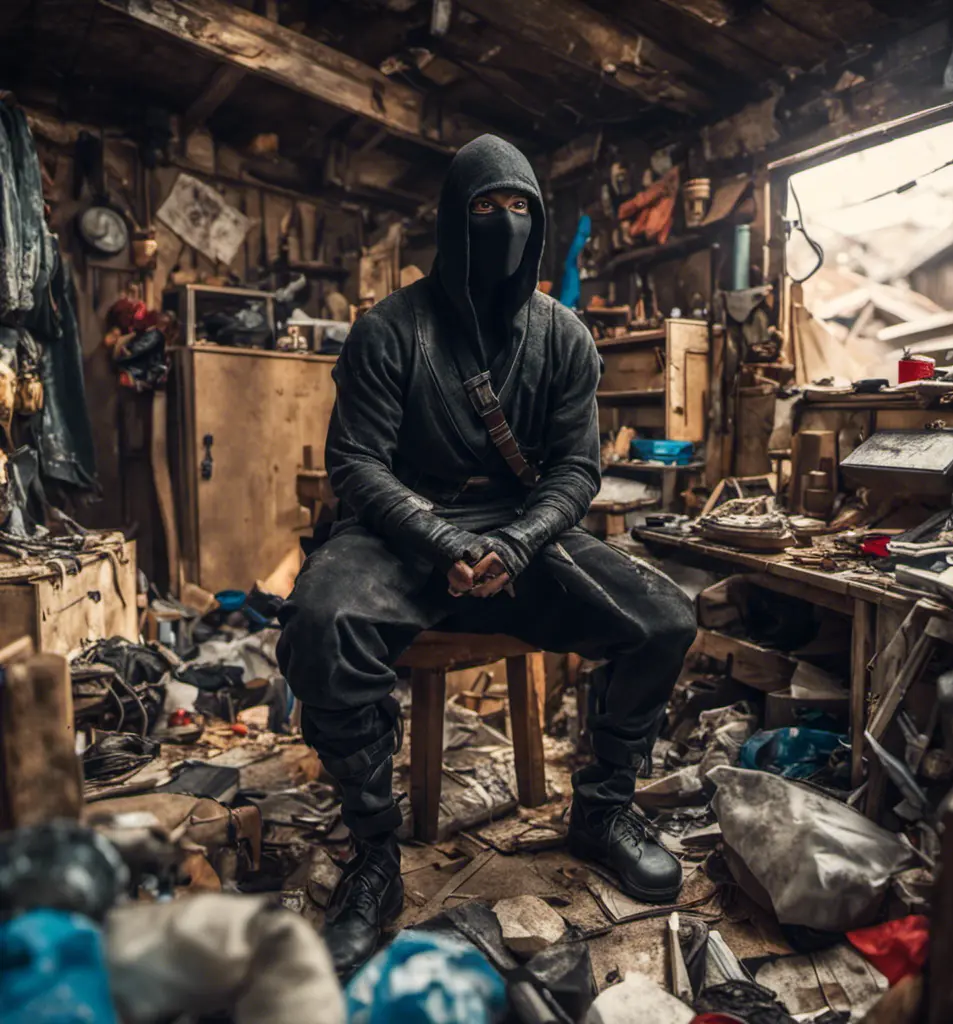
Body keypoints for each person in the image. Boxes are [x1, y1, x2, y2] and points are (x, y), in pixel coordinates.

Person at [277, 135, 697, 976]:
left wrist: (514, 540)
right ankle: (375, 857)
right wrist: (441, 539)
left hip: (521, 532)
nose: (502, 224)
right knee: (319, 624)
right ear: (450, 218)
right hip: (401, 529)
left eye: (519, 210)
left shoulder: (567, 338)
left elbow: (578, 468)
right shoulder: (388, 330)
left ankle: (603, 811)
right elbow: (356, 461)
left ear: (539, 224)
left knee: (664, 619)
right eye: (483, 208)